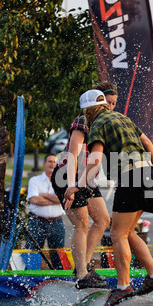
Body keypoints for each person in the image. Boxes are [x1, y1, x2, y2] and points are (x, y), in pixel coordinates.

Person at [64, 90, 153, 306]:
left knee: (118, 235)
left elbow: (95, 160)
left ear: (89, 110)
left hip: (132, 177)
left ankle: (123, 287)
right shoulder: (122, 117)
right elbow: (147, 141)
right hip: (149, 176)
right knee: (129, 232)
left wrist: (76, 184)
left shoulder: (99, 124)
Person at [51, 110, 110, 289]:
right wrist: (71, 187)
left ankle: (82, 266)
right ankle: (82, 274)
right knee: (82, 223)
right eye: (107, 102)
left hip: (86, 178)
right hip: (67, 176)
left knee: (103, 220)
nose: (111, 106)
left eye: (114, 103)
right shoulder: (83, 120)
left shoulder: (105, 122)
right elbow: (72, 155)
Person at [26, 154, 65, 270]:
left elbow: (62, 199)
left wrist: (43, 195)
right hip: (37, 222)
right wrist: (55, 199)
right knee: (32, 254)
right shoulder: (35, 180)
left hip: (57, 223)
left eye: (54, 162)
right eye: (50, 161)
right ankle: (30, 281)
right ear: (44, 163)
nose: (52, 164)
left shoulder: (61, 182)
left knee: (59, 256)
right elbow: (34, 199)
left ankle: (60, 281)